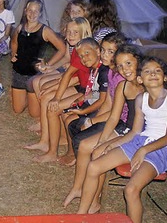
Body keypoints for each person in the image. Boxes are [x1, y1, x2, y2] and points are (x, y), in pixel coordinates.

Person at [76, 56, 167, 223]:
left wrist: (143, 150)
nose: (153, 74)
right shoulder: (142, 99)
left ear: (164, 77)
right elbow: (134, 132)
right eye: (147, 72)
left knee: (131, 189)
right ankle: (81, 216)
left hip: (163, 149)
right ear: (140, 79)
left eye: (157, 71)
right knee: (93, 166)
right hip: (140, 141)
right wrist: (110, 143)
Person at [63, 42, 143, 209]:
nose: (105, 54)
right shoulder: (117, 78)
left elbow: (123, 120)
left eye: (110, 51)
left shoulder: (140, 84)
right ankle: (79, 189)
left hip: (130, 130)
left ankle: (94, 199)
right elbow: (110, 108)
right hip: (120, 124)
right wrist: (98, 131)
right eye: (104, 50)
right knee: (86, 144)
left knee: (93, 149)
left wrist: (95, 126)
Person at [36, 37, 109, 163]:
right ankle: (56, 151)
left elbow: (103, 99)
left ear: (98, 51)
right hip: (87, 97)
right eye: (81, 56)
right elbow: (93, 90)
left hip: (97, 108)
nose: (84, 58)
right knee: (56, 110)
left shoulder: (103, 70)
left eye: (87, 53)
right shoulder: (94, 66)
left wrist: (81, 110)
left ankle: (69, 153)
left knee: (66, 115)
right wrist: (82, 98)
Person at [25, 17, 92, 152]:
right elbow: (69, 75)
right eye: (68, 32)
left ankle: (47, 140)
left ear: (83, 34)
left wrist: (53, 89)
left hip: (83, 90)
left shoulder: (83, 52)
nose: (71, 35)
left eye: (75, 32)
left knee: (46, 98)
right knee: (44, 92)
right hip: (77, 84)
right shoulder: (76, 47)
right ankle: (45, 138)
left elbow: (74, 78)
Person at [10, 0, 66, 114]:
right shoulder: (20, 28)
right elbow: (14, 42)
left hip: (34, 75)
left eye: (36, 11)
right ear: (25, 11)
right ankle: (26, 98)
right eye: (30, 10)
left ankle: (33, 97)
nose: (32, 14)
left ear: (40, 13)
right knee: (17, 110)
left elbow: (62, 49)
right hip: (18, 72)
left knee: (34, 114)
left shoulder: (45, 30)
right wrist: (13, 54)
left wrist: (49, 65)